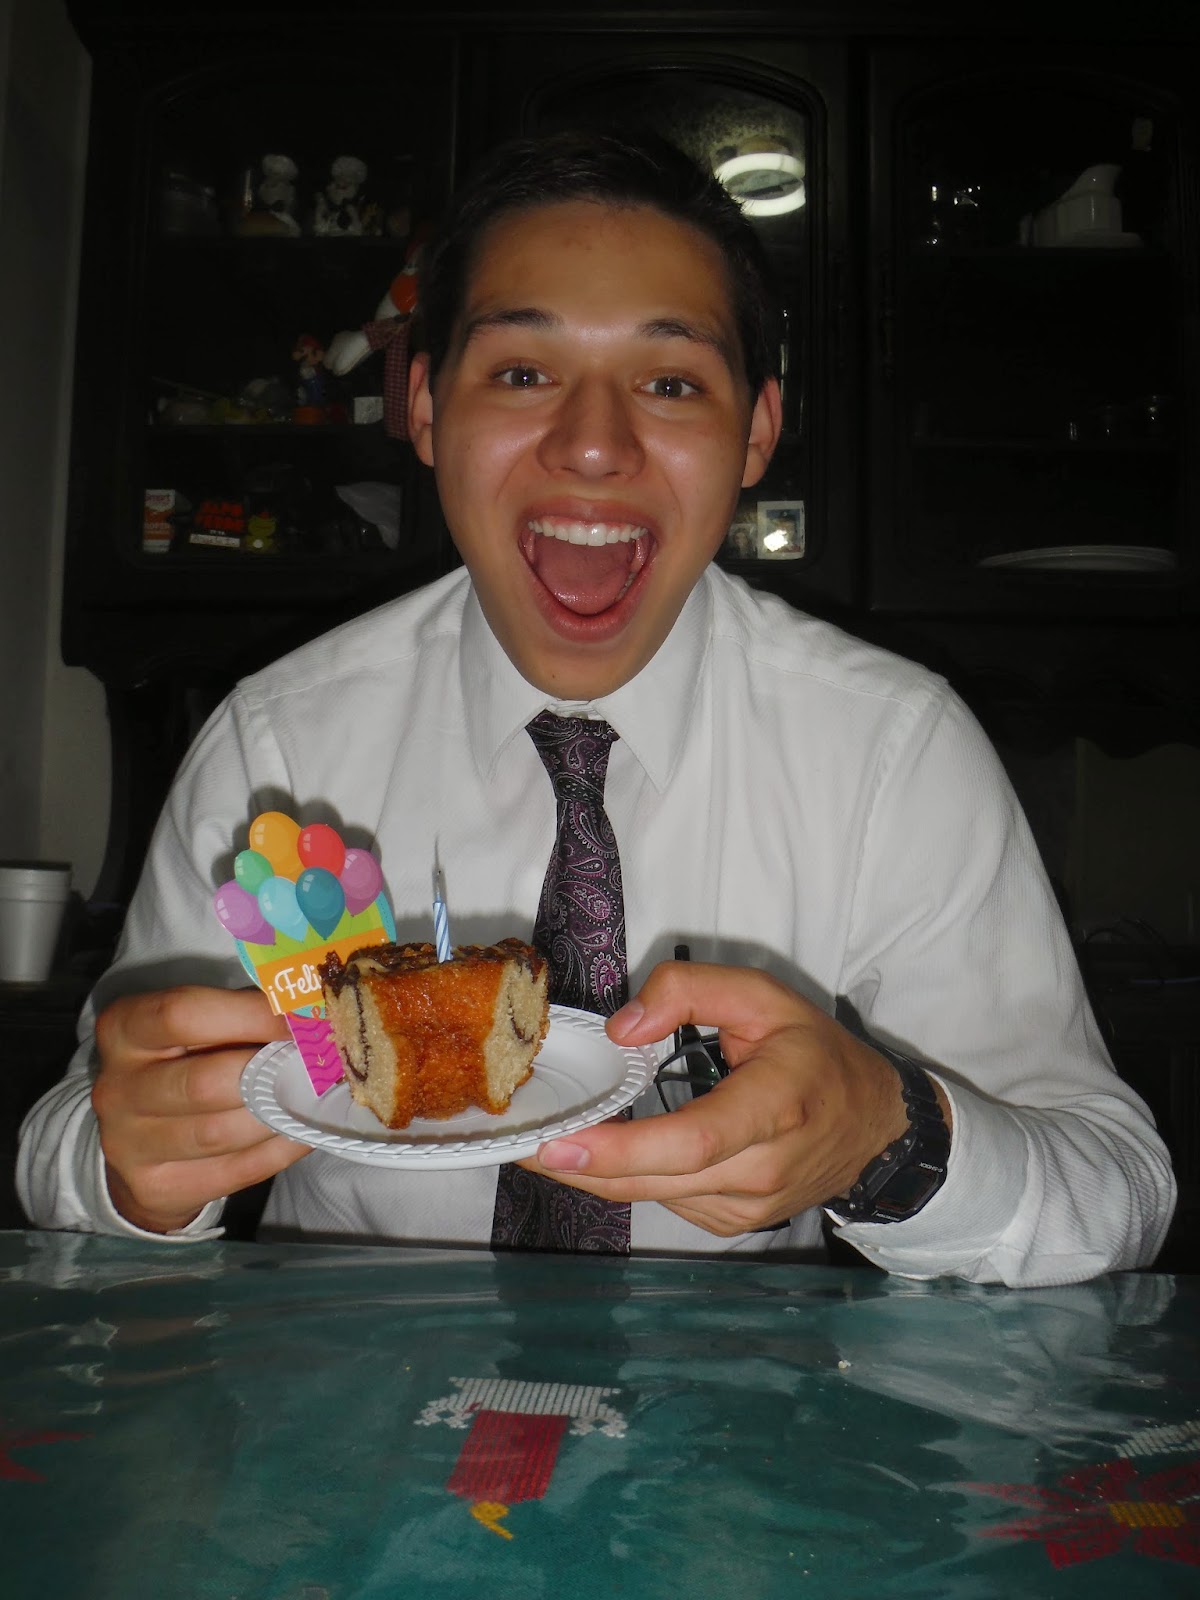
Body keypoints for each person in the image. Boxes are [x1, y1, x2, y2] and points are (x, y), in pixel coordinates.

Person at [18, 131, 1174, 1284]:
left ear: (757, 431)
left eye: (670, 383)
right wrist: (129, 1172)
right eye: (523, 372)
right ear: (424, 406)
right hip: (352, 1376)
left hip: (730, 1390)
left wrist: (888, 1137)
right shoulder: (276, 746)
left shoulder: (891, 748)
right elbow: (74, 1139)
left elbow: (1117, 1190)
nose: (592, 444)